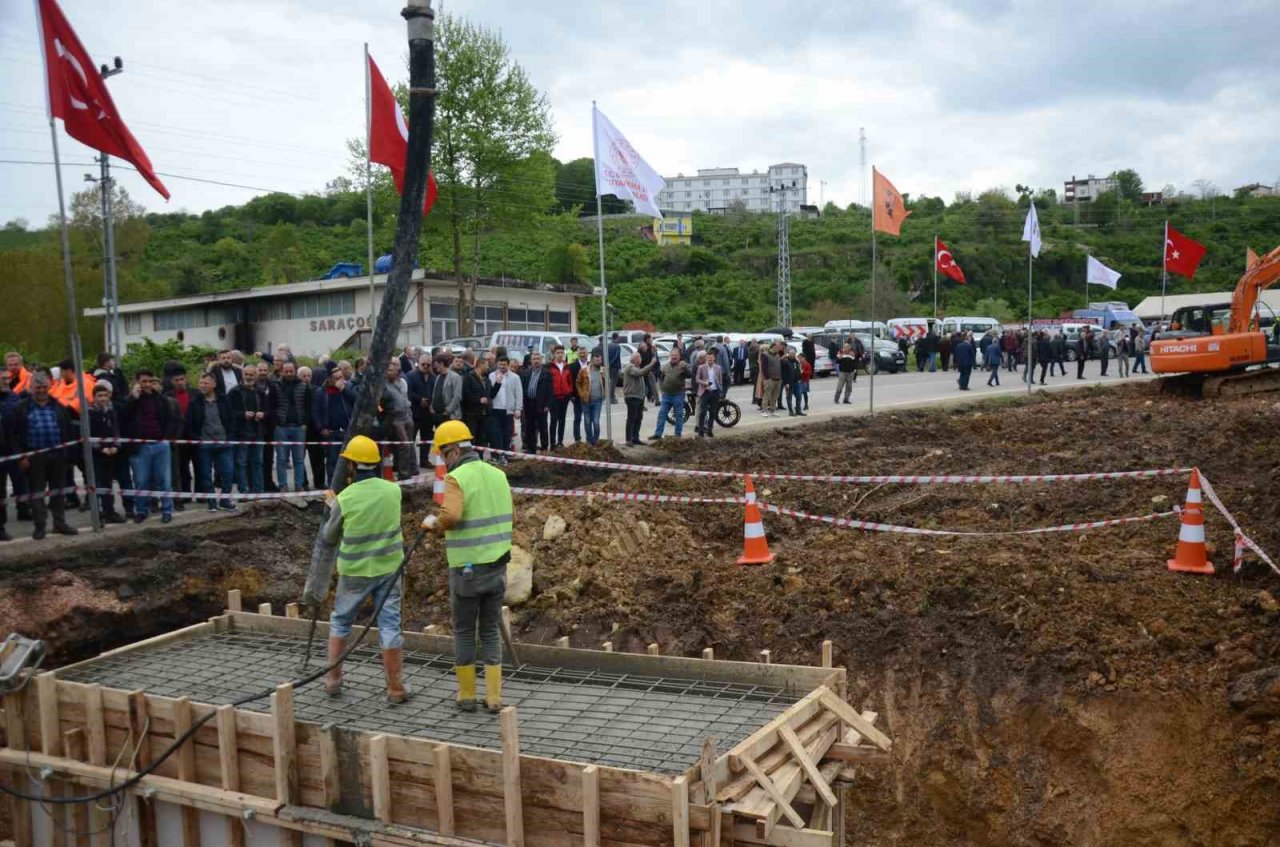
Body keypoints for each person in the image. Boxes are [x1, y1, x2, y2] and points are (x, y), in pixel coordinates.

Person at [420, 421, 513, 714]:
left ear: (455, 451)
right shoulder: (498, 474)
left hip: (467, 570)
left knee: (463, 630)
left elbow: (452, 516)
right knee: (489, 629)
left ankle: (468, 695)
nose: (443, 463)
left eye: (443, 456)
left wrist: (434, 524)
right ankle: (495, 697)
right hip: (497, 566)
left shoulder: (457, 478)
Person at [320, 435, 411, 705]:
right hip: (390, 569)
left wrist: (332, 508)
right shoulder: (393, 490)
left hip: (355, 571)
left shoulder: (346, 498)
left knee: (341, 621)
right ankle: (395, 689)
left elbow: (329, 537)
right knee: (390, 626)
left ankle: (333, 680)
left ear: (351, 466)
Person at [12, 373, 78, 538]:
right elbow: (14, 435)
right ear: (31, 388)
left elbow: (68, 432)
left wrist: (68, 455)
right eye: (37, 387)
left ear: (49, 387)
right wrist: (22, 457)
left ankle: (60, 524)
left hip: (57, 456)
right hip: (34, 458)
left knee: (59, 492)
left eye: (44, 387)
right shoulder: (21, 408)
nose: (41, 390)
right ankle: (40, 527)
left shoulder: (59, 407)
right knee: (37, 493)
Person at [122, 368, 175, 523]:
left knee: (164, 481)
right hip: (140, 446)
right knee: (141, 481)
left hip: (160, 444)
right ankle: (142, 510)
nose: (147, 384)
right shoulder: (130, 400)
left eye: (150, 381)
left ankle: (167, 510)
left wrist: (166, 438)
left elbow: (169, 420)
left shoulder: (162, 400)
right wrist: (134, 399)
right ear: (136, 382)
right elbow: (124, 418)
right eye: (143, 381)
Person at [186, 373, 236, 512]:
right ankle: (212, 501)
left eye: (206, 383)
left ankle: (225, 500)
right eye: (200, 383)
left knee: (228, 472)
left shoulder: (224, 400)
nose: (202, 385)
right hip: (204, 445)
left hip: (224, 443)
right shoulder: (194, 402)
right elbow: (189, 424)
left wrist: (230, 437)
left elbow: (231, 420)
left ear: (214, 385)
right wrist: (197, 439)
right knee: (205, 474)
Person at [87, 383, 128, 523]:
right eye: (100, 396)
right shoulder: (89, 412)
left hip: (112, 452)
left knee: (109, 483)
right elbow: (88, 435)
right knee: (98, 484)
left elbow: (116, 429)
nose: (103, 398)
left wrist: (116, 445)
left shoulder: (111, 411)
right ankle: (99, 513)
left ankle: (109, 511)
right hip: (97, 454)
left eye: (105, 395)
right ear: (94, 397)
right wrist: (100, 448)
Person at [273, 361, 312, 492]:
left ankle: (299, 485)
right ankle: (282, 485)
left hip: (299, 427)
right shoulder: (275, 386)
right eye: (286, 371)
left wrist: (305, 424)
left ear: (295, 371)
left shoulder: (304, 386)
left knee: (299, 460)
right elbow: (271, 406)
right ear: (282, 371)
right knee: (281, 459)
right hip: (281, 427)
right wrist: (276, 423)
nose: (289, 373)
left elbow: (308, 407)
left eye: (291, 371)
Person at [229, 366, 266, 494]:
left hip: (258, 431)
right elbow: (228, 412)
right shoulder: (234, 392)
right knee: (241, 463)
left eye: (251, 374)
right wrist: (242, 415)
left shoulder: (260, 392)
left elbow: (268, 410)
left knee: (257, 462)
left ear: (256, 376)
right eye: (246, 374)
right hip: (241, 432)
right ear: (242, 375)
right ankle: (243, 490)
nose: (249, 377)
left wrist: (263, 414)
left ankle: (258, 489)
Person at [313, 370, 352, 484]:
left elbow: (355, 400)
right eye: (336, 378)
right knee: (332, 460)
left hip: (346, 430)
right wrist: (321, 428)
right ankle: (332, 484)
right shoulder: (322, 392)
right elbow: (316, 411)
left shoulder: (346, 389)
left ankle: (347, 483)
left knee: (348, 460)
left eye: (341, 377)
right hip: (331, 431)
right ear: (330, 379)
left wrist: (343, 390)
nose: (340, 380)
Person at [650, 349, 692, 440]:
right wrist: (662, 389)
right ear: (670, 356)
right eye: (672, 355)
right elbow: (660, 378)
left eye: (676, 355)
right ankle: (658, 434)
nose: (674, 357)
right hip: (666, 395)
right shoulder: (665, 367)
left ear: (679, 357)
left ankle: (677, 434)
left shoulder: (682, 365)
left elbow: (690, 374)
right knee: (662, 414)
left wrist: (685, 369)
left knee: (678, 415)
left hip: (678, 394)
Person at [487, 356, 522, 458]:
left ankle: (505, 456)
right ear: (497, 364)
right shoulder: (491, 376)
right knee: (495, 435)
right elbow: (490, 393)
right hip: (495, 410)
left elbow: (518, 394)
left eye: (504, 365)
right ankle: (496, 457)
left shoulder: (515, 377)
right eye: (500, 365)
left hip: (508, 411)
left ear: (508, 365)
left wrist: (518, 409)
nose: (502, 367)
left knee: (507, 435)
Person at [407, 353, 436, 466]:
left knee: (427, 437)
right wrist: (419, 400)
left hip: (428, 413)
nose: (425, 367)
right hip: (414, 412)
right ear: (418, 364)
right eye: (423, 364)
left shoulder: (433, 378)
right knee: (411, 438)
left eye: (428, 365)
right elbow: (408, 392)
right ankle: (410, 461)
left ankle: (424, 459)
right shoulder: (411, 376)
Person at [520, 352, 552, 454]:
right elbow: (523, 388)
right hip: (529, 404)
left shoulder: (546, 373)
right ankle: (531, 449)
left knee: (543, 428)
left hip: (541, 404)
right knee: (529, 427)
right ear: (531, 360)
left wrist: (548, 405)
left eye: (538, 358)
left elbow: (550, 390)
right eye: (534, 359)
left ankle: (544, 448)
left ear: (541, 360)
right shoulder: (526, 372)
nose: (536, 360)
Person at [622, 352, 654, 446]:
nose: (641, 360)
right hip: (632, 397)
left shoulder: (637, 368)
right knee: (631, 418)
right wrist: (651, 364)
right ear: (635, 359)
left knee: (638, 418)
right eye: (639, 358)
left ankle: (635, 437)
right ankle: (629, 439)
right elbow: (640, 373)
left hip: (639, 397)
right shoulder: (630, 367)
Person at [577, 350, 608, 446]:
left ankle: (595, 440)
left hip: (598, 400)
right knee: (587, 422)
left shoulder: (603, 370)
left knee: (596, 422)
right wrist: (581, 394)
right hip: (586, 400)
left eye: (600, 360)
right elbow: (578, 382)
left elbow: (608, 384)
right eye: (597, 360)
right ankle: (589, 440)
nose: (599, 361)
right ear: (592, 360)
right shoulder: (584, 370)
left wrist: (605, 377)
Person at [695, 347, 724, 437]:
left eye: (711, 358)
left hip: (715, 392)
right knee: (702, 412)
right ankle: (700, 430)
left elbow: (720, 380)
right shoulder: (701, 367)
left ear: (714, 358)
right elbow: (697, 379)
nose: (710, 360)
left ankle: (709, 430)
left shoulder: (718, 368)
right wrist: (704, 383)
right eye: (708, 358)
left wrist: (720, 391)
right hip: (705, 391)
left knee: (712, 412)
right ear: (706, 358)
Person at [759, 342, 782, 417]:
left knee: (775, 396)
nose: (779, 349)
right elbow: (764, 367)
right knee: (767, 395)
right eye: (778, 347)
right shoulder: (765, 355)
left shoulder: (778, 355)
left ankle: (773, 410)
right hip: (769, 379)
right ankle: (764, 411)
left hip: (778, 378)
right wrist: (768, 378)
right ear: (774, 347)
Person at [781, 347, 805, 417]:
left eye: (794, 353)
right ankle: (791, 411)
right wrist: (786, 383)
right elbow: (783, 373)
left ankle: (798, 410)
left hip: (796, 382)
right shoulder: (785, 361)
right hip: (789, 383)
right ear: (788, 354)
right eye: (791, 353)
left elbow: (798, 370)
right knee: (789, 397)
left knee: (799, 396)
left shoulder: (796, 361)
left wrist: (800, 378)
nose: (793, 355)